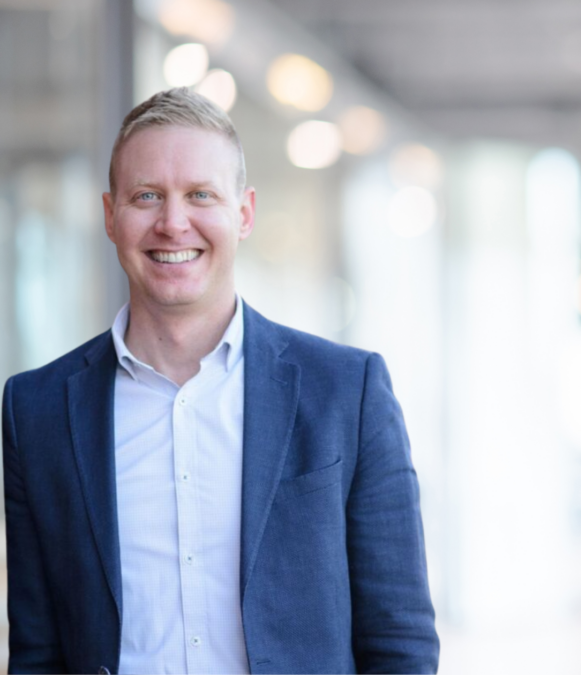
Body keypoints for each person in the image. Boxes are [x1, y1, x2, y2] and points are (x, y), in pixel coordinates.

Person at [2, 87, 439, 674]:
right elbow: (37, 650)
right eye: (146, 196)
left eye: (200, 195)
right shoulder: (36, 411)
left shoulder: (346, 392)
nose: (173, 222)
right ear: (110, 216)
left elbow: (400, 641)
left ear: (244, 213)